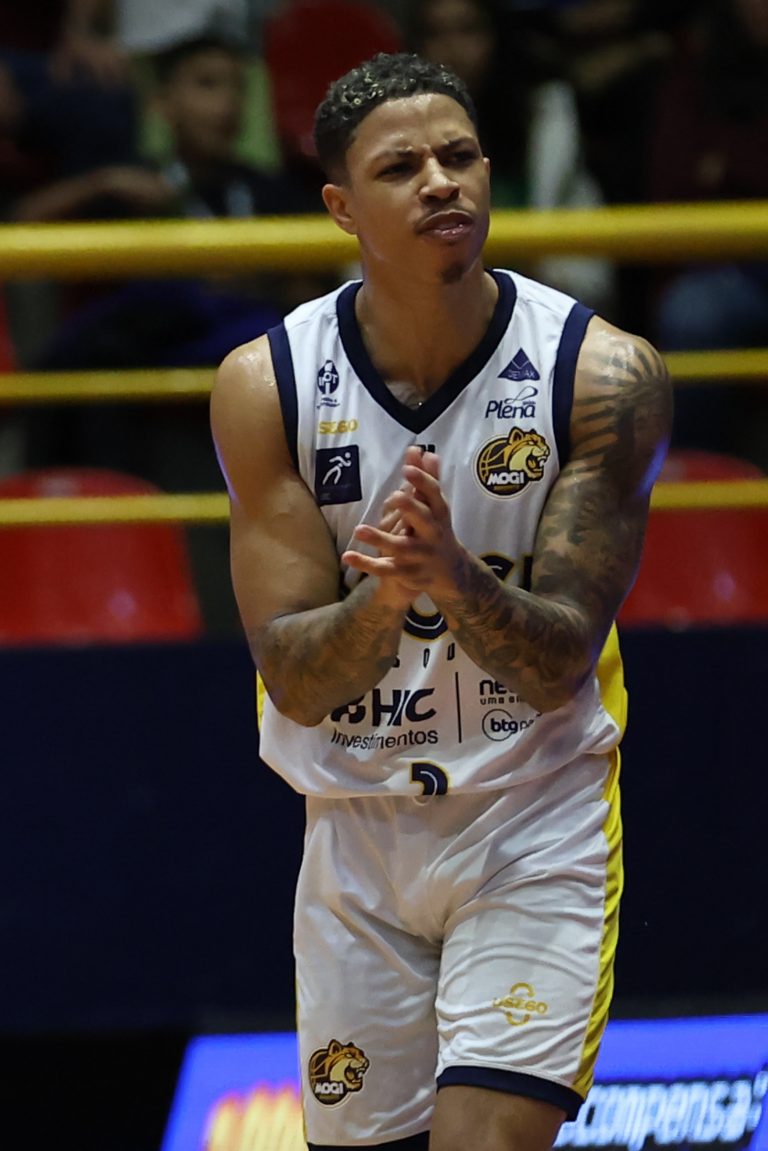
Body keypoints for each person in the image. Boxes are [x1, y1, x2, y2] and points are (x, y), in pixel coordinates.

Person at [210, 51, 672, 1151]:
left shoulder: (602, 376)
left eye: (459, 156)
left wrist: (452, 577)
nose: (440, 181)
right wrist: (386, 596)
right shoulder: (269, 385)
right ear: (341, 206)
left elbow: (559, 661)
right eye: (401, 166)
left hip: (532, 812)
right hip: (356, 826)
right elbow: (297, 678)